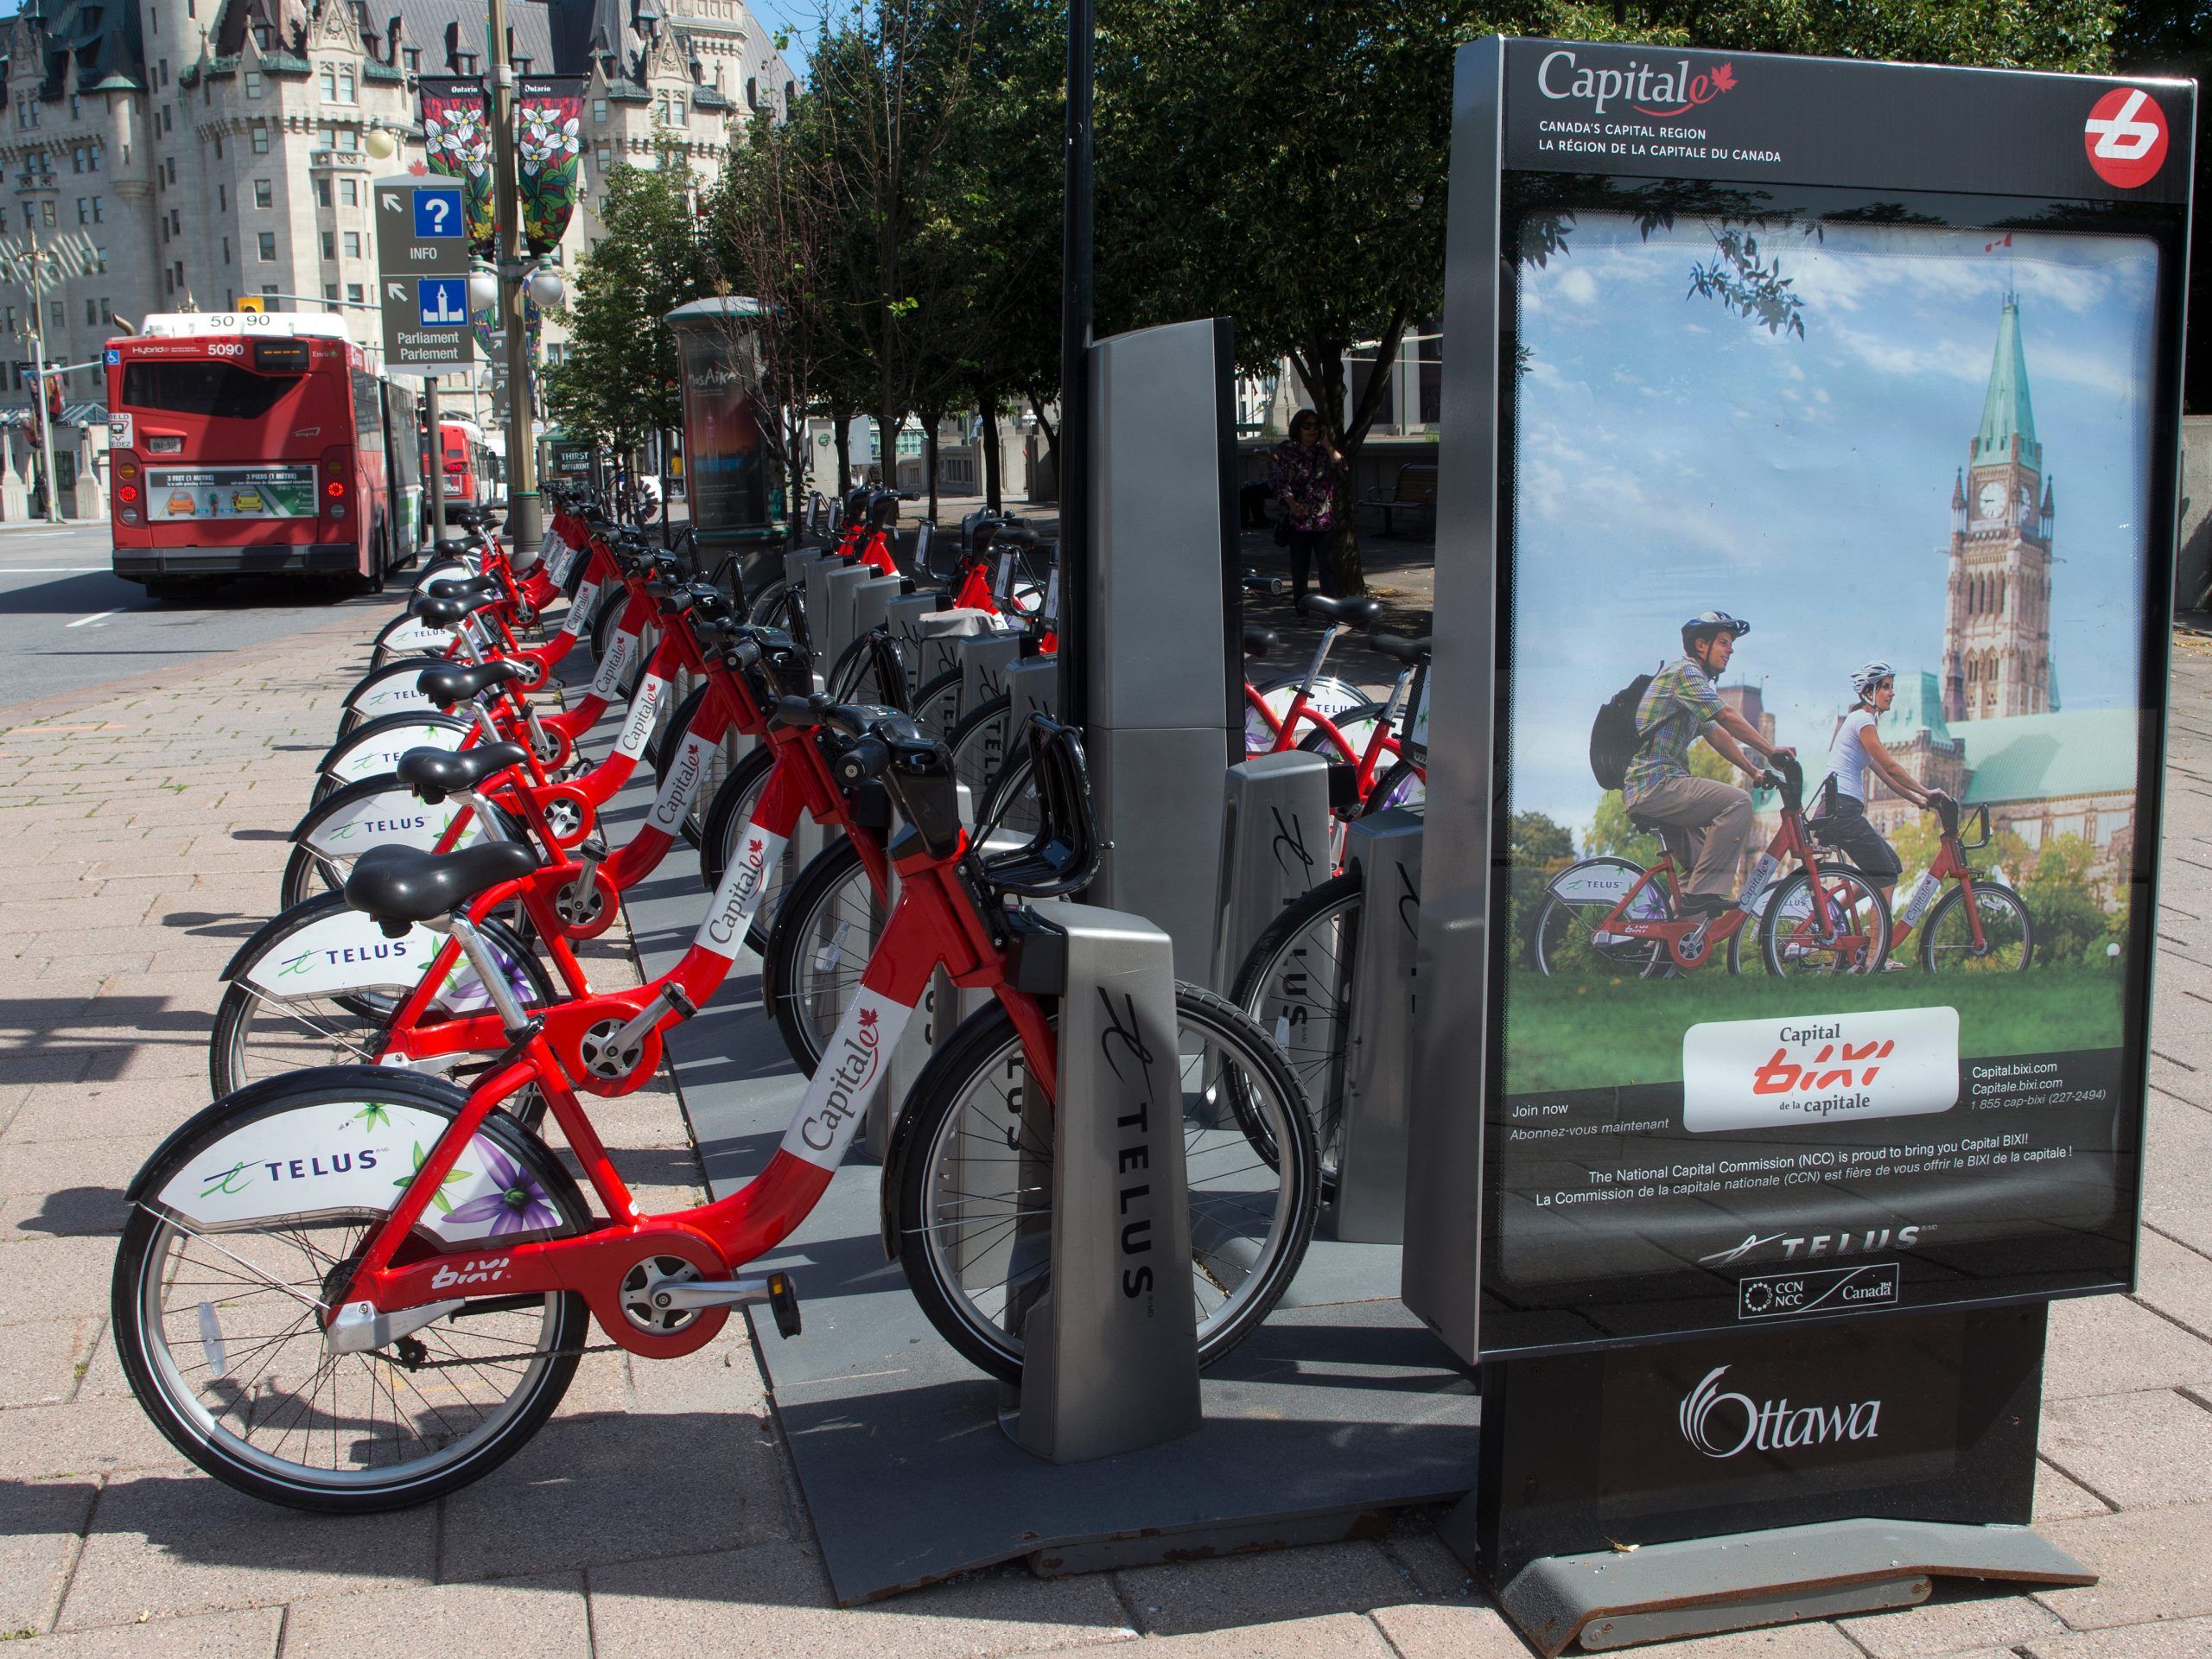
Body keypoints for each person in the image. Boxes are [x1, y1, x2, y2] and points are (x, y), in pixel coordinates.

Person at [1624, 611, 1796, 917]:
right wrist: (1770, 750)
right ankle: (1702, 896)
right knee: (1738, 803)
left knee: (1703, 866)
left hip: (1655, 787)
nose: (1731, 650)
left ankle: (1664, 941)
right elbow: (1726, 716)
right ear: (1701, 645)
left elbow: (1717, 734)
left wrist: (1753, 770)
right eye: (1724, 642)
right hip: (1656, 784)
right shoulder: (1686, 673)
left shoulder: (1693, 684)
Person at [1824, 660, 1942, 910]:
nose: (1892, 692)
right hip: (1843, 810)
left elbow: (1885, 776)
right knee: (1885, 875)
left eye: (1891, 687)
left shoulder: (1863, 722)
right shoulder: (1862, 721)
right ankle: (1880, 935)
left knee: (1891, 865)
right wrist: (1927, 791)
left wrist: (1918, 800)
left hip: (1841, 809)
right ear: (1870, 692)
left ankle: (1835, 912)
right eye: (1886, 687)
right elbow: (1891, 766)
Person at [1270, 410, 1344, 599]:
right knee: (1300, 569)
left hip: (1323, 520)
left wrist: (1328, 445)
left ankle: (1330, 608)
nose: (1312, 430)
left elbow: (1342, 467)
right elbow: (1282, 484)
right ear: (1298, 429)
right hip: (1299, 521)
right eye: (1307, 426)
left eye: (1315, 426)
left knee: (1328, 568)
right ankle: (1301, 608)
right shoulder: (1289, 453)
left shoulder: (1324, 453)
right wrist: (1293, 504)